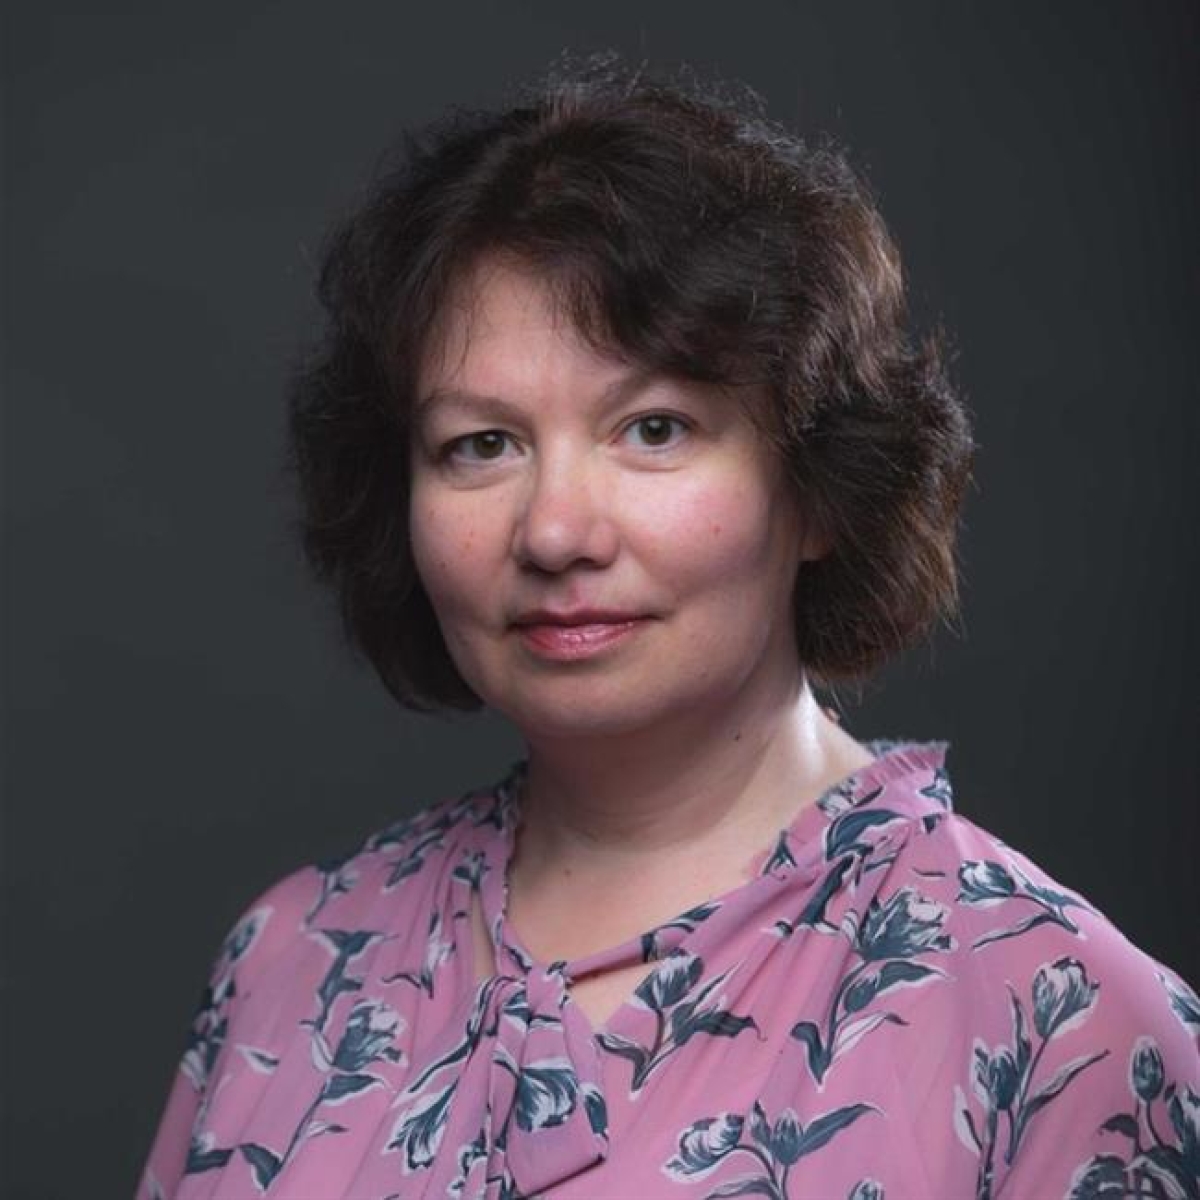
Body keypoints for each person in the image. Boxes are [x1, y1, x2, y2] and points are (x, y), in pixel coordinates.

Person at [138, 56, 1199, 1200]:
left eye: (654, 429)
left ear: (817, 488)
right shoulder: (290, 962)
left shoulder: (1070, 1028)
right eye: (481, 445)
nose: (555, 531)